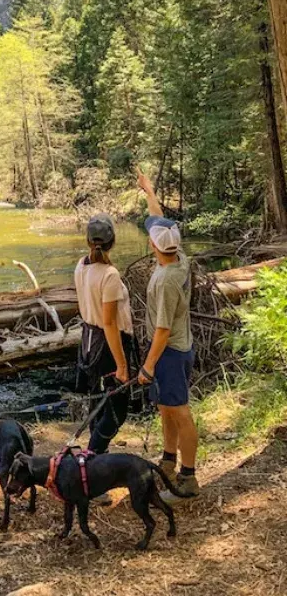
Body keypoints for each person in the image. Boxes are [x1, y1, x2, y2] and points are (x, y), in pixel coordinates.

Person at [136, 169, 199, 499]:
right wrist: (149, 192)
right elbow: (159, 221)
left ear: (152, 245)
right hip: (176, 348)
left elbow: (161, 331)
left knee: (180, 411)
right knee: (166, 407)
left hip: (170, 352)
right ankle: (168, 460)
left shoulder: (165, 281)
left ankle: (188, 479)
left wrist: (148, 367)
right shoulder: (179, 257)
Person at [74, 213, 136, 458]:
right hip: (108, 345)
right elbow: (109, 323)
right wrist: (122, 365)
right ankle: (93, 455)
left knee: (97, 401)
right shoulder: (109, 275)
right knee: (117, 409)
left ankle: (97, 458)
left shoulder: (81, 266)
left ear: (88, 241)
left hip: (88, 341)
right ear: (113, 241)